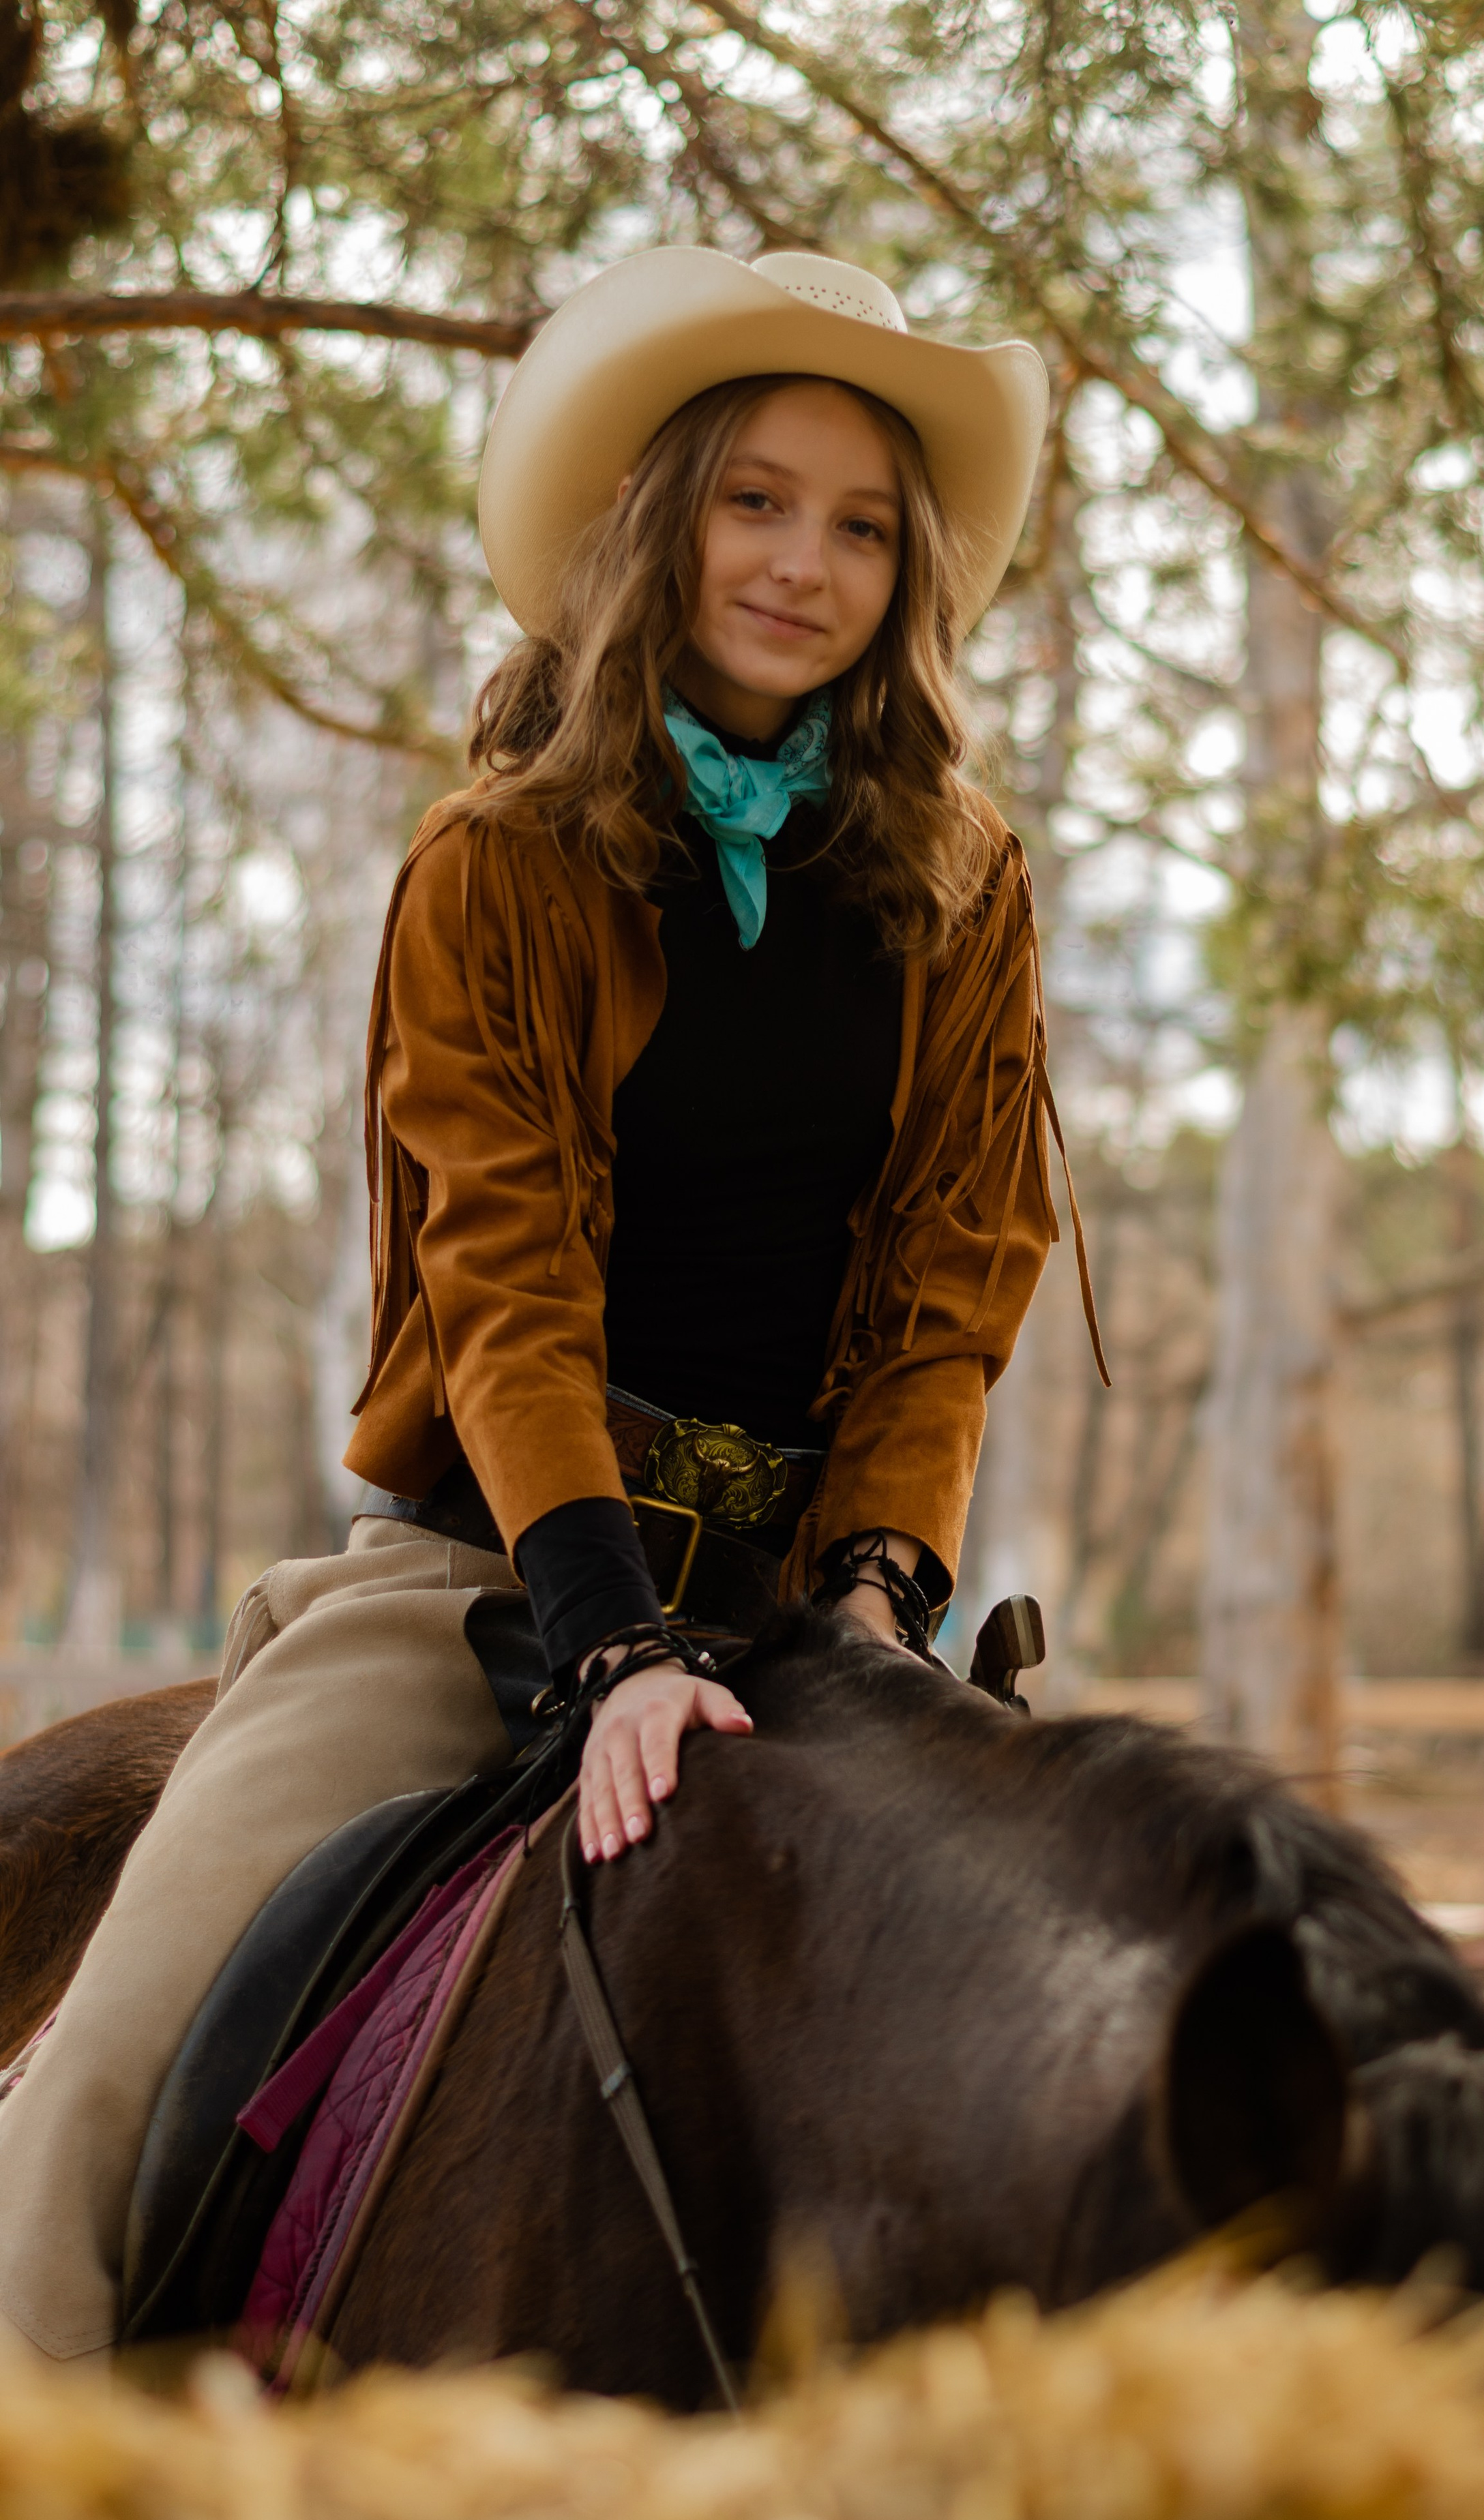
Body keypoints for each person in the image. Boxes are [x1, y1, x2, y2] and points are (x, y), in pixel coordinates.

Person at [0, 245, 1101, 2366]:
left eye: (865, 524)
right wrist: (606, 1636)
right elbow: (501, 1281)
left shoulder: (972, 882)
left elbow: (959, 1284)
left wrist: (876, 1599)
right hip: (491, 1579)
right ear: (659, 515)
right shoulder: (495, 859)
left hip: (811, 1592)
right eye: (756, 500)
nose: (807, 561)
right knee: (114, 2072)